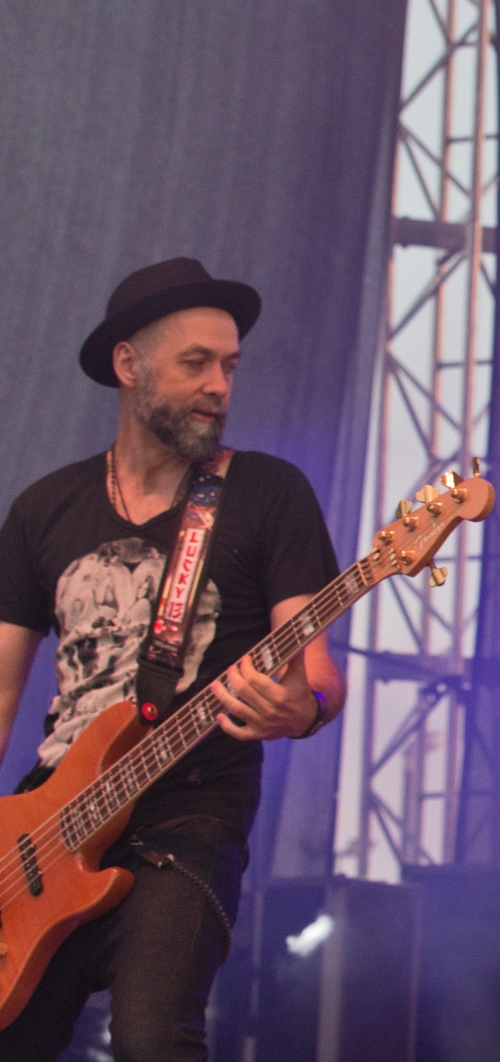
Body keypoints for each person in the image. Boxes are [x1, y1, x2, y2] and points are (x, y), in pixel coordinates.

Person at [0, 257, 346, 1061]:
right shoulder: (44, 509)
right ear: (129, 365)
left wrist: (304, 710)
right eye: (195, 364)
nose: (218, 386)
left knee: (152, 1037)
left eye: (229, 366)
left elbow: (320, 676)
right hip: (43, 834)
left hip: (187, 822)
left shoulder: (267, 492)